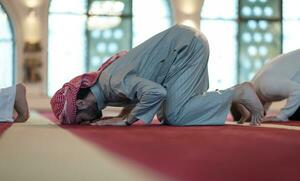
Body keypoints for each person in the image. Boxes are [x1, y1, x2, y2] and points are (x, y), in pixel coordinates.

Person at [51, 25, 264, 126]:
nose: (82, 123)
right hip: (183, 47)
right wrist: (123, 115)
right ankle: (232, 97)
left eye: (77, 120)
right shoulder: (107, 85)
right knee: (166, 115)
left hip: (186, 48)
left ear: (79, 104)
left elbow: (155, 91)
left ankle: (238, 93)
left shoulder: (112, 82)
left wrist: (125, 122)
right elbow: (136, 91)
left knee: (175, 116)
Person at [231, 49, 300, 123]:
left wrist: (282, 116)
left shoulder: (265, 88)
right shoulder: (257, 85)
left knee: (294, 115)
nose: (260, 117)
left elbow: (297, 91)